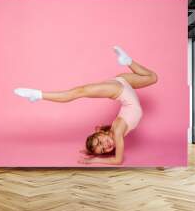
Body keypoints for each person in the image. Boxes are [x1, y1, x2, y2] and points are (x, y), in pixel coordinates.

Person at [14, 46, 158, 165]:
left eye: (100, 141)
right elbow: (114, 153)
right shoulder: (115, 132)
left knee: (78, 92)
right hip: (124, 84)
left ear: (100, 132)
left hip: (118, 90)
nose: (105, 146)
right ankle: (127, 60)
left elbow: (118, 160)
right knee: (152, 78)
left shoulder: (118, 131)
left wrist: (95, 159)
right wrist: (92, 152)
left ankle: (38, 95)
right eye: (102, 150)